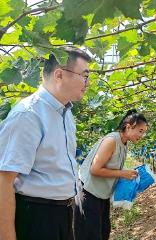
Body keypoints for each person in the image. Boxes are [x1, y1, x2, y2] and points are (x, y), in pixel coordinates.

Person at [0, 47, 91, 240]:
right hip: (36, 216)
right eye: (84, 76)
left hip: (63, 213)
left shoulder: (66, 114)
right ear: (59, 75)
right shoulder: (28, 115)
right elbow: (4, 180)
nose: (87, 83)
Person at [73, 110, 148, 240]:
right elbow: (94, 169)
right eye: (140, 131)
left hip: (101, 194)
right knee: (90, 234)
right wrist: (122, 173)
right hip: (88, 192)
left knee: (103, 232)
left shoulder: (124, 143)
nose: (142, 135)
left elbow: (112, 166)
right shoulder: (111, 140)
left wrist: (127, 174)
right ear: (129, 126)